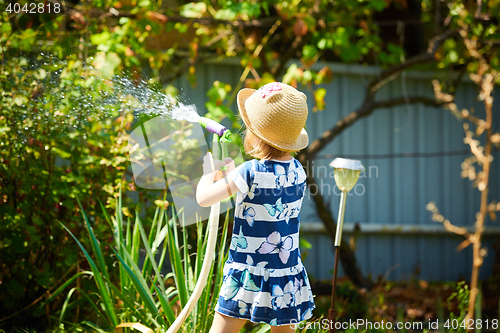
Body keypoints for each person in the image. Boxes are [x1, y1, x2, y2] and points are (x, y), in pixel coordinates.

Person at [196, 82, 315, 333]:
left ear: (256, 133)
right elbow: (267, 195)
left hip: (247, 273)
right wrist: (231, 173)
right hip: (285, 273)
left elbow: (204, 198)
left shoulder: (250, 171)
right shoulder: (298, 171)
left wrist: (208, 171)